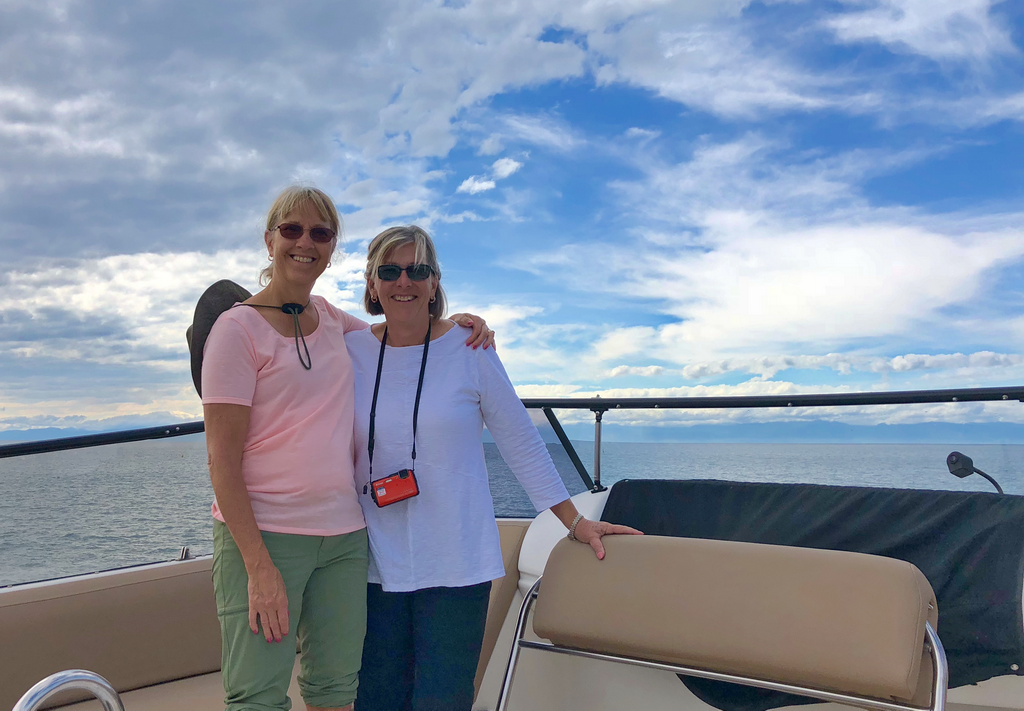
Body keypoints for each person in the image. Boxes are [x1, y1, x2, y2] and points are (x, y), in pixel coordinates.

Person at [199, 187, 493, 711]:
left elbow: (402, 331)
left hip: (343, 539)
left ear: (332, 246)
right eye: (292, 230)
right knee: (258, 698)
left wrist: (460, 326)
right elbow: (221, 463)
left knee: (336, 690)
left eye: (320, 232)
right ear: (269, 241)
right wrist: (258, 566)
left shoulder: (334, 321)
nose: (305, 242)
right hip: (268, 536)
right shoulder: (235, 329)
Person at [346, 225, 642, 711]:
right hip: (372, 562)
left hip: (455, 560)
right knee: (375, 697)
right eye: (390, 270)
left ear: (435, 282)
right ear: (372, 283)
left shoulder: (469, 348)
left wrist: (575, 521)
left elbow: (520, 440)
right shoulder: (350, 350)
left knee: (442, 699)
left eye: (417, 270)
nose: (404, 281)